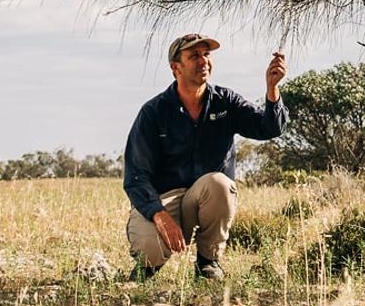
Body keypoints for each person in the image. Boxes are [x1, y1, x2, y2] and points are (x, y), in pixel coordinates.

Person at [121, 33, 287, 280]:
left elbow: (268, 128)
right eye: (194, 56)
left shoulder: (225, 102)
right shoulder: (153, 112)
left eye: (206, 54)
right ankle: (146, 268)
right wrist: (159, 214)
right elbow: (136, 175)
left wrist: (272, 89)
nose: (204, 61)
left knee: (219, 183)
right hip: (165, 201)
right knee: (149, 247)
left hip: (205, 196)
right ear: (175, 67)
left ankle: (208, 262)